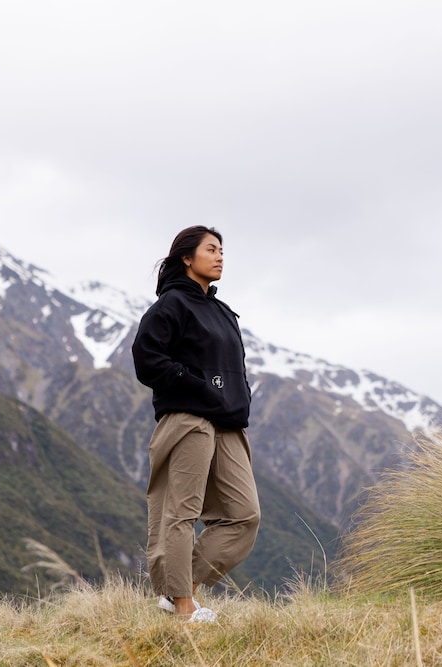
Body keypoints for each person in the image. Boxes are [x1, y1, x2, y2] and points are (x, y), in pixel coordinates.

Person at [132, 225, 260, 622]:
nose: (220, 256)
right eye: (211, 249)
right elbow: (146, 358)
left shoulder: (221, 311)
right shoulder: (171, 305)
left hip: (228, 424)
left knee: (244, 515)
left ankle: (179, 590)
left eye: (222, 250)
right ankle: (184, 609)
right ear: (187, 258)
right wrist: (195, 384)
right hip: (188, 419)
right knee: (180, 515)